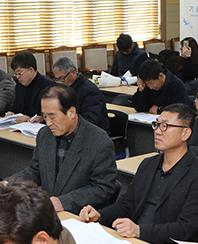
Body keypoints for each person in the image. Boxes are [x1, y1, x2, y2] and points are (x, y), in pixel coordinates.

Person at [80, 104, 198, 243]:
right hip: (135, 240)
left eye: (165, 126)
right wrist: (99, 215)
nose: (157, 131)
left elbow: (185, 228)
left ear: (185, 133)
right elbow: (126, 205)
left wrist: (139, 231)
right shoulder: (148, 164)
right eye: (156, 125)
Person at [9, 83, 119, 214]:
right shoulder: (44, 134)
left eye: (52, 116)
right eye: (44, 116)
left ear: (71, 112)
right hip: (50, 212)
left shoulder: (99, 141)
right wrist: (11, 184)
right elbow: (36, 170)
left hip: (82, 216)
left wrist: (64, 202)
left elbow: (103, 187)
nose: (48, 122)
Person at [52, 56, 109, 133]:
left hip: (94, 135)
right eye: (57, 79)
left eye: (62, 78)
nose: (60, 82)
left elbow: (90, 121)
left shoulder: (90, 91)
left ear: (73, 72)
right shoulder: (64, 89)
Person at [6, 51, 52, 123]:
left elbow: (52, 115)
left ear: (31, 70)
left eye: (19, 73)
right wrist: (11, 113)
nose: (17, 77)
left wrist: (30, 119)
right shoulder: (19, 86)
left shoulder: (49, 86)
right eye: (15, 74)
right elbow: (16, 108)